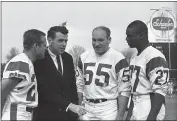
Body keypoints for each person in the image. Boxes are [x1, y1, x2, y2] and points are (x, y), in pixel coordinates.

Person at [76, 26, 131, 120]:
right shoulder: (83, 57)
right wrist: (78, 110)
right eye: (94, 40)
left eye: (101, 40)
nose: (96, 44)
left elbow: (124, 90)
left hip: (108, 108)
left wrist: (120, 116)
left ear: (109, 40)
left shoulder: (118, 58)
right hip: (87, 107)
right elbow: (79, 86)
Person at [33, 25, 87, 120]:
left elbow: (72, 87)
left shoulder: (68, 58)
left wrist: (76, 111)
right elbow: (43, 90)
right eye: (60, 40)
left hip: (68, 116)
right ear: (49, 40)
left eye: (66, 41)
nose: (64, 44)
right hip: (46, 115)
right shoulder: (39, 59)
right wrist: (68, 105)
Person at [125, 20, 169, 120]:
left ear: (142, 35)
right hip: (137, 104)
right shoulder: (134, 57)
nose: (127, 39)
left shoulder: (154, 56)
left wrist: (152, 116)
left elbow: (160, 91)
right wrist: (129, 115)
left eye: (130, 35)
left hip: (149, 104)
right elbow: (134, 90)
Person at [1, 29, 47, 120]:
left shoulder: (27, 62)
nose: (46, 48)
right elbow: (2, 91)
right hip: (15, 114)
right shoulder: (21, 62)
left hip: (24, 114)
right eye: (44, 45)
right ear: (36, 46)